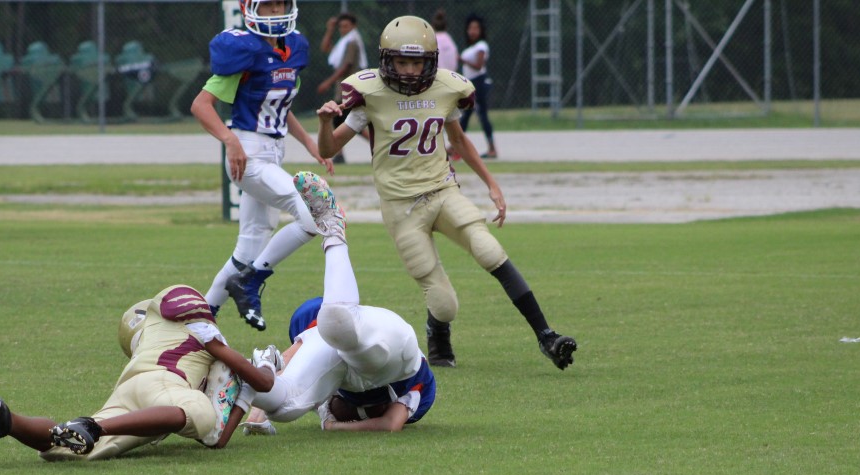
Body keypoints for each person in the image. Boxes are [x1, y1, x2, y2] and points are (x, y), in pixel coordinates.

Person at [316, 15, 577, 371]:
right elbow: (329, 149)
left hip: (442, 191)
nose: (410, 71)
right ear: (387, 60)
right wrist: (324, 123)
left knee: (490, 250)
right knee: (444, 304)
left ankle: (547, 336)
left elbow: (460, 141)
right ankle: (438, 334)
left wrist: (492, 184)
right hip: (401, 207)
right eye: (402, 62)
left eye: (417, 62)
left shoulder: (445, 88)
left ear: (431, 61)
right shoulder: (370, 93)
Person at [0, 285, 277, 469]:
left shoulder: (151, 340)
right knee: (200, 413)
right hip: (164, 384)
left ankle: (6, 419)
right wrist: (264, 366)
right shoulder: (198, 329)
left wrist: (244, 394)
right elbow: (262, 382)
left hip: (130, 391)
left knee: (61, 446)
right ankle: (94, 426)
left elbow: (217, 440)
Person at [231, 171, 437, 435]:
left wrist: (332, 423)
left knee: (335, 324)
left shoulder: (405, 389)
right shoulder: (321, 340)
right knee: (285, 407)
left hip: (393, 362)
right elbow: (290, 357)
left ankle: (331, 224)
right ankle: (232, 376)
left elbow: (390, 423)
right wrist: (258, 402)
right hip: (359, 353)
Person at [190, 0, 333, 333]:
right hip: (249, 154)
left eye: (280, 3)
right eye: (268, 5)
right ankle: (251, 281)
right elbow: (201, 105)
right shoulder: (245, 51)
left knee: (247, 250)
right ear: (251, 8)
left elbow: (281, 106)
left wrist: (309, 143)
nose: (276, 11)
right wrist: (230, 140)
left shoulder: (292, 48)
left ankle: (199, 323)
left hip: (272, 153)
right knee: (312, 213)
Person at [317, 12, 367, 164]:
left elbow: (346, 65)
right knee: (340, 120)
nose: (343, 29)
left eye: (346, 26)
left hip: (351, 88)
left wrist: (328, 82)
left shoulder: (352, 42)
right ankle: (339, 154)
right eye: (341, 26)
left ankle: (378, 145)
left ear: (354, 26)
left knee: (351, 121)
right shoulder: (343, 43)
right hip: (342, 88)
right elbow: (325, 48)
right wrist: (330, 30)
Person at [459, 13, 496, 159]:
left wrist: (462, 60)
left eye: (476, 28)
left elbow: (479, 66)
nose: (472, 31)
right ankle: (455, 146)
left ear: (481, 30)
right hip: (470, 83)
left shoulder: (481, 46)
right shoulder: (471, 47)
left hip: (478, 83)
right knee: (466, 116)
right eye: (470, 28)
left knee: (482, 115)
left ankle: (492, 148)